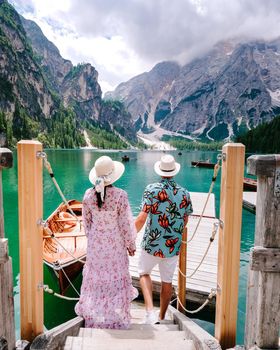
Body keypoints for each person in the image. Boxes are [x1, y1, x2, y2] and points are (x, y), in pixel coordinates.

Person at [75, 155, 138, 329]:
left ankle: (96, 315)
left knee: (97, 279)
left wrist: (95, 240)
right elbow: (125, 224)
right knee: (114, 278)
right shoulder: (120, 196)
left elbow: (87, 224)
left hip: (96, 246)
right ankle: (114, 315)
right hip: (115, 247)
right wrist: (130, 245)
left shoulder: (88, 195)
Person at [135, 154, 193, 324]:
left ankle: (149, 312)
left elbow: (141, 219)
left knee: (144, 273)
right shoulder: (184, 193)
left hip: (151, 244)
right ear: (174, 172)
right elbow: (185, 220)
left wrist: (129, 236)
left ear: (160, 171)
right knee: (167, 281)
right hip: (172, 246)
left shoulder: (151, 189)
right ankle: (161, 316)